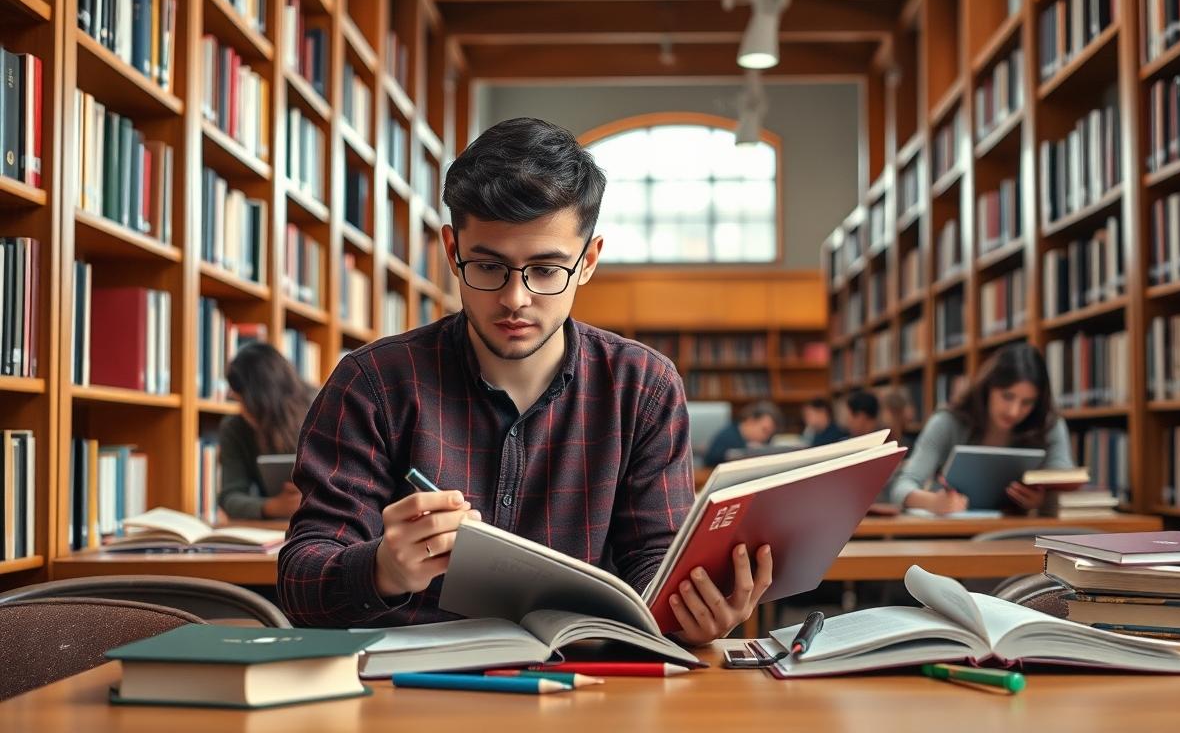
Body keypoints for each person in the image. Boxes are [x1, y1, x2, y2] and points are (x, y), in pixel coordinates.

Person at [278, 118, 772, 645]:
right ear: (452, 250)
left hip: (589, 690)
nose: (515, 298)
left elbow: (655, 563)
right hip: (407, 695)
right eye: (488, 267)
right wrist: (381, 570)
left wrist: (692, 609)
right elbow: (300, 577)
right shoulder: (373, 382)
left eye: (545, 269)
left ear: (588, 261)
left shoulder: (642, 388)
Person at [886, 343, 1073, 515]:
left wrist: (1043, 500)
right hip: (951, 535)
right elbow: (901, 486)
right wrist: (933, 502)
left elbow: (1064, 482)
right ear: (988, 388)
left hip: (1018, 535)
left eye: (1027, 402)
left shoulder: (1048, 425)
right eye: (1007, 396)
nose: (1014, 411)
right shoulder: (948, 422)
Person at [216, 343, 315, 520]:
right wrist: (274, 507)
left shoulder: (323, 409)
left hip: (327, 523)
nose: (243, 412)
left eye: (245, 403)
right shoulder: (234, 428)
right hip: (275, 526)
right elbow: (230, 497)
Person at [704, 400, 783, 468]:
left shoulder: (766, 441)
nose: (766, 437)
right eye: (764, 430)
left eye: (770, 433)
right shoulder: (726, 437)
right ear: (750, 421)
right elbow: (710, 461)